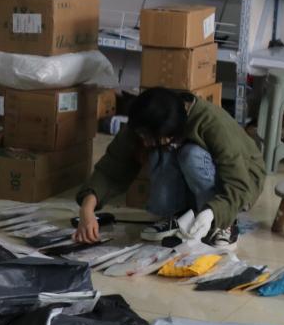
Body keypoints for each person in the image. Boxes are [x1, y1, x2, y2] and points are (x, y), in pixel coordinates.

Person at [74, 87, 264, 250]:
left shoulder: (211, 122)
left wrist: (213, 213)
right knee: (159, 152)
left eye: (149, 138)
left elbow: (239, 183)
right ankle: (179, 215)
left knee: (191, 155)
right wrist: (87, 209)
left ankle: (224, 224)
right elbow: (112, 166)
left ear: (173, 132)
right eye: (142, 136)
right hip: (199, 179)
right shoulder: (145, 122)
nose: (144, 142)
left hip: (241, 180)